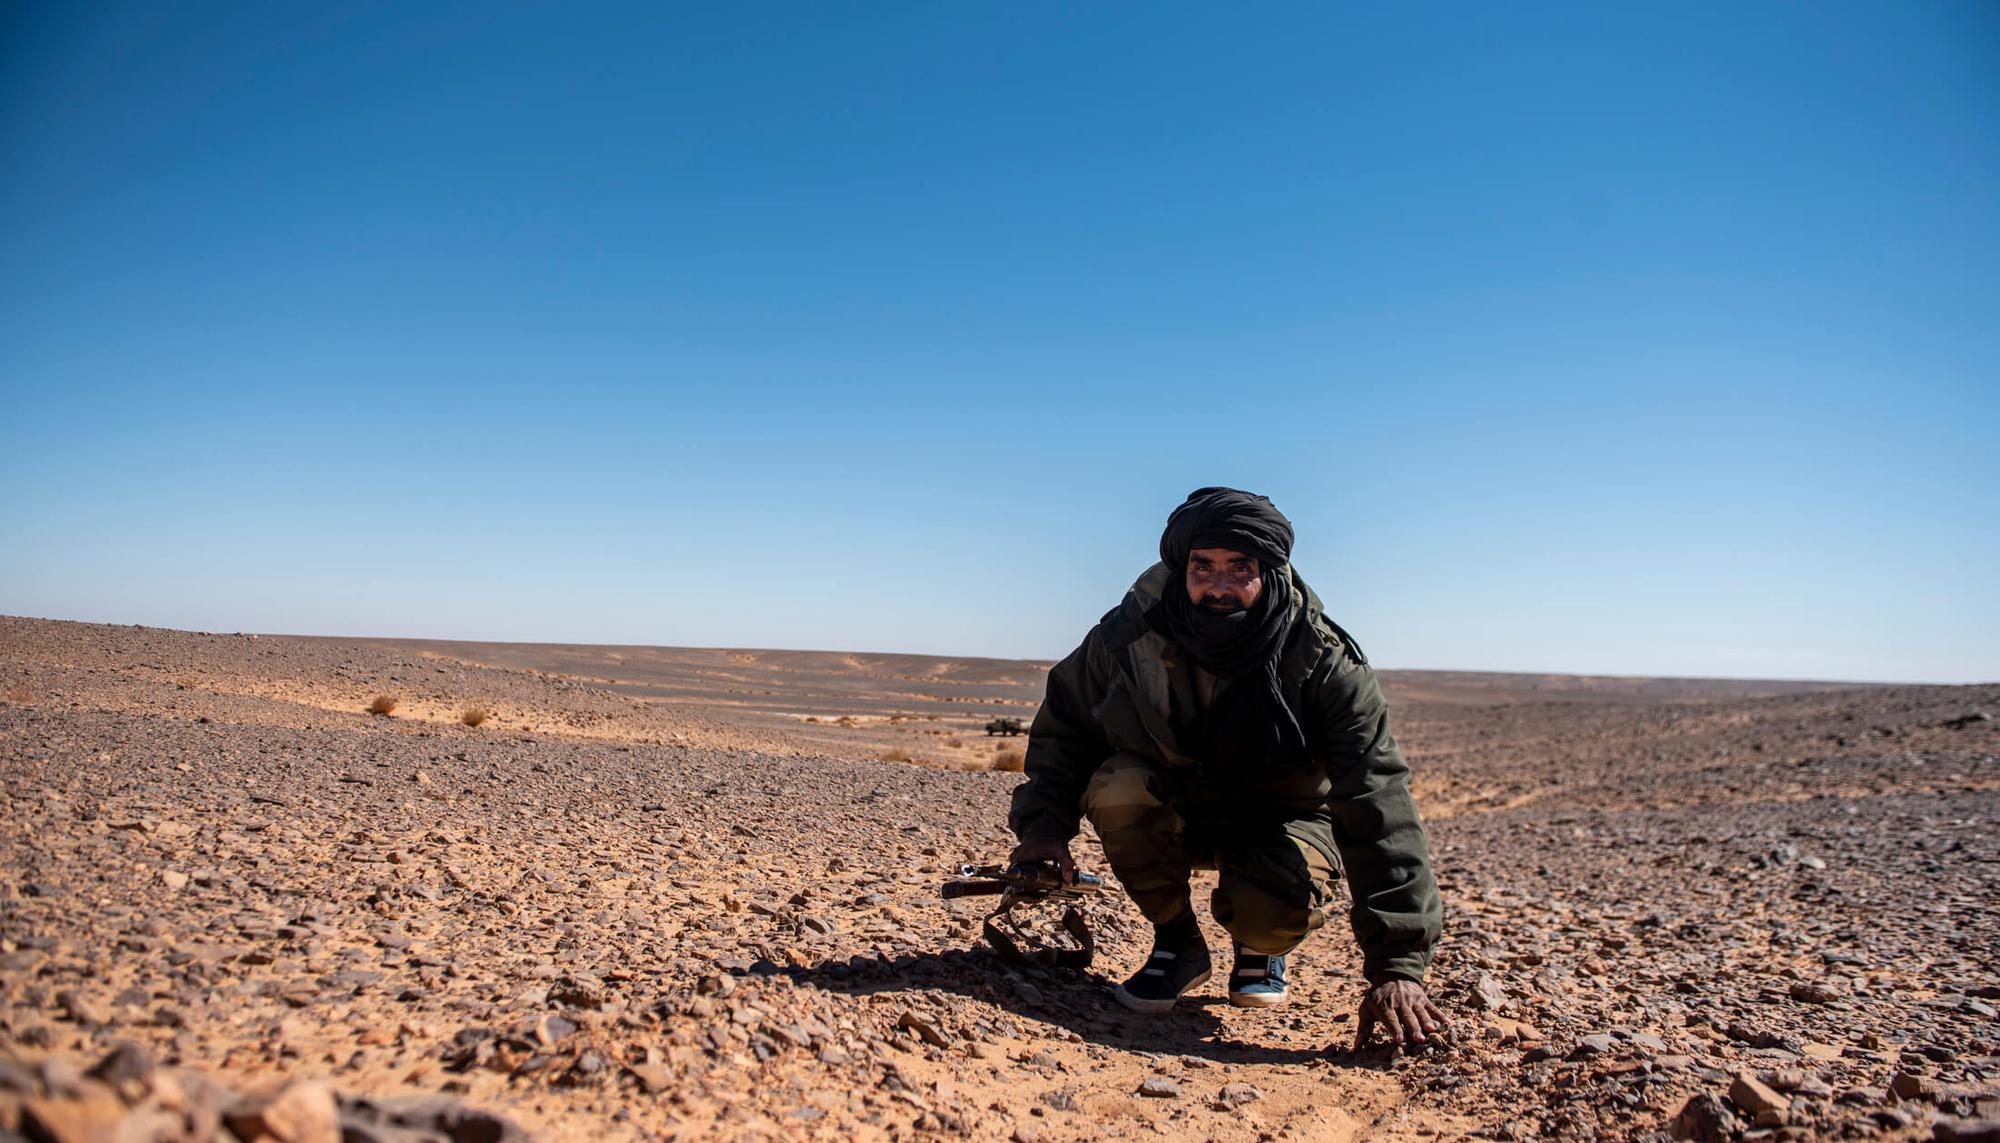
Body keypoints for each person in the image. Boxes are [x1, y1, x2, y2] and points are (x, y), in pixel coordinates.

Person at [1007, 487, 1445, 1049]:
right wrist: (1044, 831)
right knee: (1116, 786)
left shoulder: (1322, 658)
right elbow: (1066, 733)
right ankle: (1177, 943)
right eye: (1203, 567)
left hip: (1285, 818)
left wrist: (1397, 967)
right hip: (1180, 806)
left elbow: (1378, 800)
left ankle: (1258, 946)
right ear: (1181, 566)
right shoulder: (1126, 638)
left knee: (1269, 913)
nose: (1218, 585)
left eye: (1240, 569)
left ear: (1269, 570)